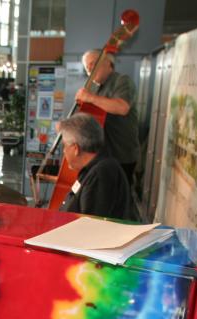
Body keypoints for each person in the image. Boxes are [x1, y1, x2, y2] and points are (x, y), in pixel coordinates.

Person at [75, 50, 141, 189]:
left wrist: (90, 98)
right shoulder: (96, 90)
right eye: (87, 68)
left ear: (108, 63)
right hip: (102, 157)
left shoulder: (122, 81)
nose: (90, 70)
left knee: (117, 203)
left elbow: (122, 108)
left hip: (121, 156)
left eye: (93, 64)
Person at [55, 113, 135, 220]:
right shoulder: (95, 169)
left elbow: (91, 225)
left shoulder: (101, 173)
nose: (64, 151)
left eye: (64, 146)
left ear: (75, 149)